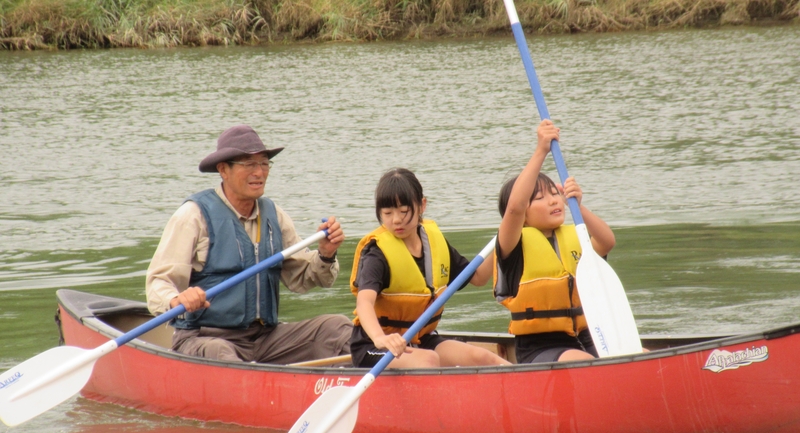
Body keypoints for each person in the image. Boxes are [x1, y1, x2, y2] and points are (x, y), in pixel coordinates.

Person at [146, 124, 352, 364]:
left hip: (265, 338)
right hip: (204, 337)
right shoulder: (192, 216)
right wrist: (177, 299)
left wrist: (326, 254)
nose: (259, 172)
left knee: (337, 328)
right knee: (221, 354)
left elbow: (303, 279)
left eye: (264, 163)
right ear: (223, 170)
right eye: (249, 164)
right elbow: (158, 283)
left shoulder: (275, 216)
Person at [349, 168, 511, 369]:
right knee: (428, 360)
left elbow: (478, 277)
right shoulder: (377, 254)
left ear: (422, 205)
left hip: (420, 339)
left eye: (403, 211)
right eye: (388, 213)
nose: (396, 220)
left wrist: (507, 231)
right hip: (375, 346)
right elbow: (364, 301)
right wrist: (380, 338)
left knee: (483, 357)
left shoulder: (433, 242)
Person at [494, 119, 616, 363]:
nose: (553, 201)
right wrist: (541, 150)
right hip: (540, 348)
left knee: (641, 355)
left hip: (589, 336)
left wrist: (579, 207)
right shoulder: (511, 246)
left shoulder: (574, 237)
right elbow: (515, 207)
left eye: (554, 193)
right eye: (539, 197)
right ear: (524, 215)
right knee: (581, 361)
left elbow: (606, 241)